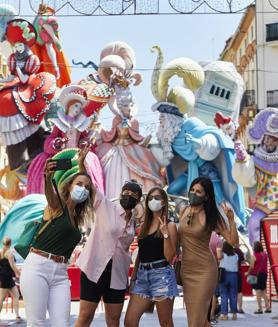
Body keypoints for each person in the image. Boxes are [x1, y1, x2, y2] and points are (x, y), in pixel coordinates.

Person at [20, 151, 94, 327]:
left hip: (61, 272)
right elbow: (50, 195)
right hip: (38, 266)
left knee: (62, 324)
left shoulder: (78, 216)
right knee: (36, 323)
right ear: (69, 186)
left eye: (86, 187)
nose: (83, 188)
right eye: (79, 184)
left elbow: (89, 184)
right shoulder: (57, 205)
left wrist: (82, 166)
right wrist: (47, 177)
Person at [74, 177, 143, 327]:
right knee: (85, 315)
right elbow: (90, 186)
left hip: (117, 273)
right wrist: (81, 164)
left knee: (114, 318)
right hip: (94, 268)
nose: (128, 195)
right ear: (120, 193)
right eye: (126, 191)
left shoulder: (133, 222)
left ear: (138, 200)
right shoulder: (106, 205)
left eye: (133, 193)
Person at [179, 176, 239, 327]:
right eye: (192, 190)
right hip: (186, 271)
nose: (193, 193)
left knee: (195, 323)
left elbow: (233, 242)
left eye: (198, 192)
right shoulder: (183, 210)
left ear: (206, 196)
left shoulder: (211, 216)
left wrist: (231, 220)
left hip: (205, 271)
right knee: (200, 321)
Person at [27, 85, 104, 195]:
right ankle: (56, 193)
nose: (77, 110)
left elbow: (84, 139)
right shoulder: (60, 123)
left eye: (79, 108)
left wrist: (84, 143)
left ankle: (86, 193)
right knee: (53, 170)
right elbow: (50, 141)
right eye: (75, 106)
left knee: (88, 164)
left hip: (76, 155)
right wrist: (58, 144)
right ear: (69, 105)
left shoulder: (81, 124)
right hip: (63, 156)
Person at [95, 85, 163, 199]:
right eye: (126, 106)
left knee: (141, 169)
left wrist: (144, 140)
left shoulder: (133, 121)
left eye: (131, 105)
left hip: (131, 149)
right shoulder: (116, 120)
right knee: (112, 174)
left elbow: (136, 136)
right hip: (116, 150)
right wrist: (101, 131)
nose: (129, 108)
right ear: (120, 107)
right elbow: (111, 134)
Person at [124, 187, 178, 327]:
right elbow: (141, 254)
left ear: (164, 202)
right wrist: (134, 277)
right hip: (142, 276)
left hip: (162, 275)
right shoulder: (143, 226)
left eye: (157, 197)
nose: (153, 200)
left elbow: (169, 256)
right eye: (151, 198)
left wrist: (165, 234)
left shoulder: (170, 225)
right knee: (129, 321)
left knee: (165, 322)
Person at [0, 237, 23, 323]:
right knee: (1, 297)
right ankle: (17, 316)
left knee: (16, 295)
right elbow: (13, 266)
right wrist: (20, 274)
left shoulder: (1, 251)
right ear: (10, 243)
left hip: (4, 276)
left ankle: (17, 316)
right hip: (7, 276)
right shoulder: (9, 253)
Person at [245, 241, 271, 314]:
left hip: (256, 275)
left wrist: (247, 273)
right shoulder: (265, 254)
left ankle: (260, 309)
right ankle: (268, 307)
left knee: (258, 292)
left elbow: (251, 267)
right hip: (264, 275)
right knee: (263, 292)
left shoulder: (254, 256)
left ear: (255, 247)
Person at [218, 241, 239, 321]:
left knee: (224, 295)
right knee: (233, 295)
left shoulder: (222, 255)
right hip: (234, 275)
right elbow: (237, 266)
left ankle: (225, 315)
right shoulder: (236, 255)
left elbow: (218, 256)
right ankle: (234, 314)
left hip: (224, 275)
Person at [234, 245, 245, 313]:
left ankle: (233, 308)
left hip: (228, 273)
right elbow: (243, 261)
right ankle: (240, 308)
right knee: (239, 291)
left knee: (230, 292)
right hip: (238, 272)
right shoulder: (239, 251)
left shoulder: (226, 249)